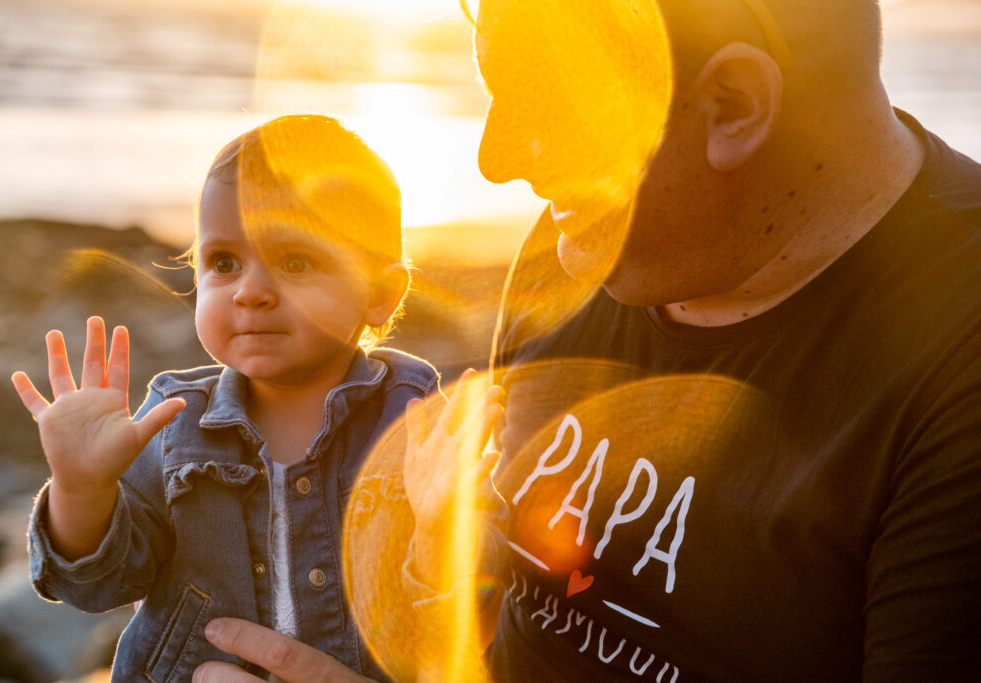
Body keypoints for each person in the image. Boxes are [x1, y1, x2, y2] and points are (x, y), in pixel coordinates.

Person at [192, 0, 981, 680]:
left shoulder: (953, 369)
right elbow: (502, 602)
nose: (495, 159)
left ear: (734, 104)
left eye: (544, 105)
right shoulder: (580, 250)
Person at [11, 114, 440, 682]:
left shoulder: (412, 419)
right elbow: (96, 584)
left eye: (295, 261)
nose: (251, 291)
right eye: (224, 263)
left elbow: (464, 605)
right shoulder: (176, 422)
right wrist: (81, 489)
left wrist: (444, 524)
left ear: (381, 294)